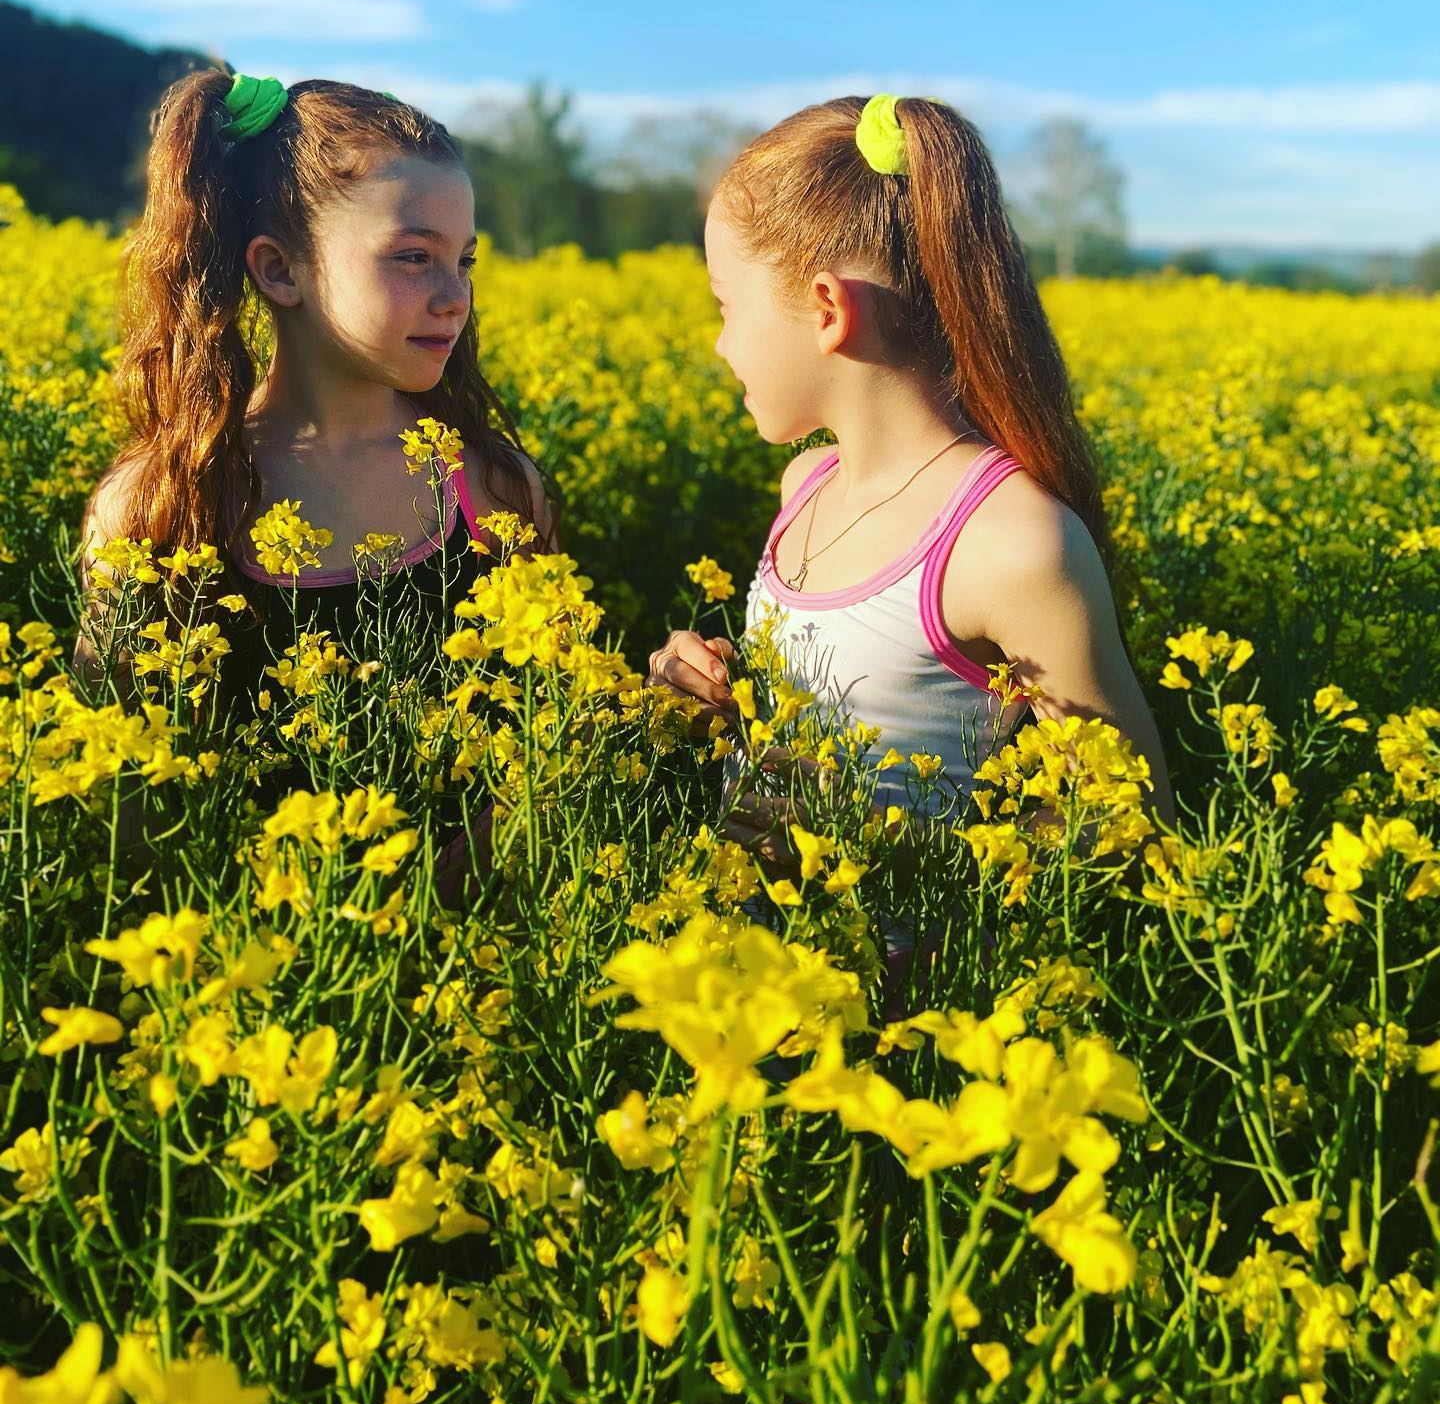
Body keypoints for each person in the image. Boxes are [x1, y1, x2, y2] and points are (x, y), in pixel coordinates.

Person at [645, 94, 1175, 993]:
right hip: (738, 966)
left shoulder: (1012, 540)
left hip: (901, 1014)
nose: (720, 344)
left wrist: (931, 895)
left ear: (825, 311)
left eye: (726, 307)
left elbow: (1129, 820)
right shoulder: (805, 487)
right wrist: (708, 687)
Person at [74, 69, 553, 903]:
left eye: (464, 261)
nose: (455, 298)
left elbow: (547, 752)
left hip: (466, 989)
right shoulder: (162, 507)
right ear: (279, 270)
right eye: (413, 257)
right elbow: (117, 814)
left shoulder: (495, 493)